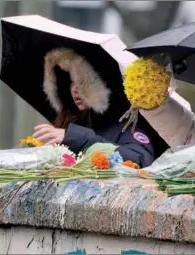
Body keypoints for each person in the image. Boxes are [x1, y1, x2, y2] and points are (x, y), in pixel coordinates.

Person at [33, 47, 168, 168]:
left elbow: (140, 158)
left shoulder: (128, 124)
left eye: (82, 81)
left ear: (103, 83)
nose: (74, 89)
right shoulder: (71, 121)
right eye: (71, 82)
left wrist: (80, 139)